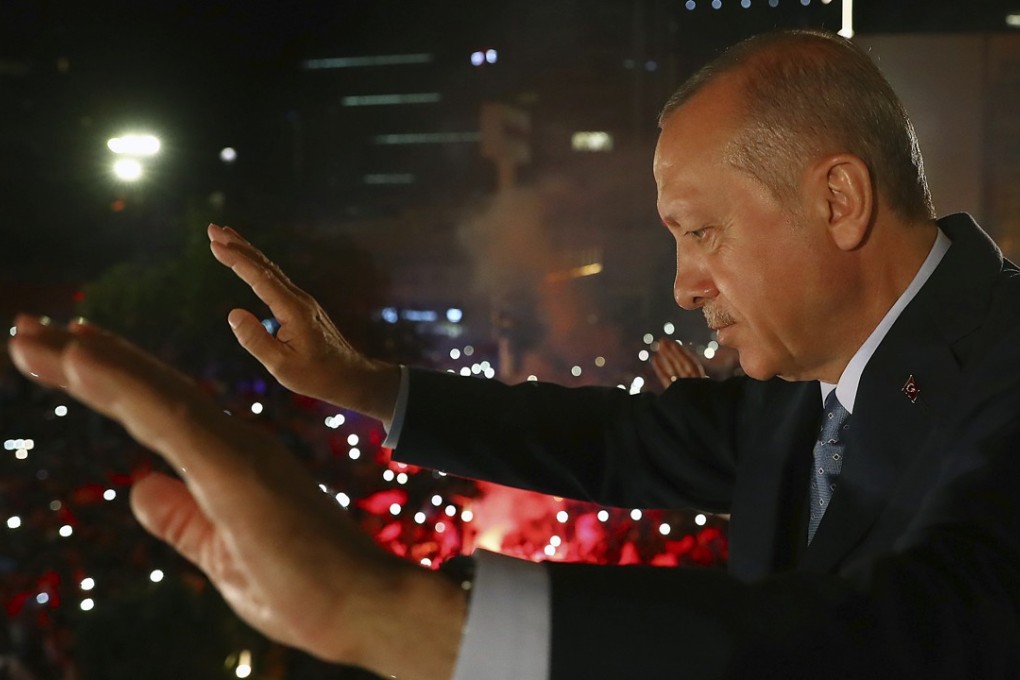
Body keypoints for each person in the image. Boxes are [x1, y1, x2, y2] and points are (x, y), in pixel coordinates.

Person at [9, 27, 1020, 679]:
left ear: (838, 199)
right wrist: (369, 385)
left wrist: (404, 618)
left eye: (702, 231)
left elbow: (936, 627)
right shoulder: (812, 386)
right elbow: (619, 442)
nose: (684, 285)